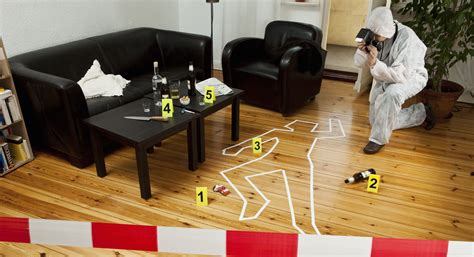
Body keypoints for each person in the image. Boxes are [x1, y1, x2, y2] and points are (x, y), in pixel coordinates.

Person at [354, 7, 436, 154]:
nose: (373, 37)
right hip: (385, 75)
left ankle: (377, 140)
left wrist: (374, 63)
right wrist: (363, 52)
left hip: (410, 76)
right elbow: (358, 63)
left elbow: (401, 75)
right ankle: (422, 112)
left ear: (385, 31)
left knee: (393, 94)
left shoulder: (407, 37)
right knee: (377, 122)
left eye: (376, 34)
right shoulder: (374, 36)